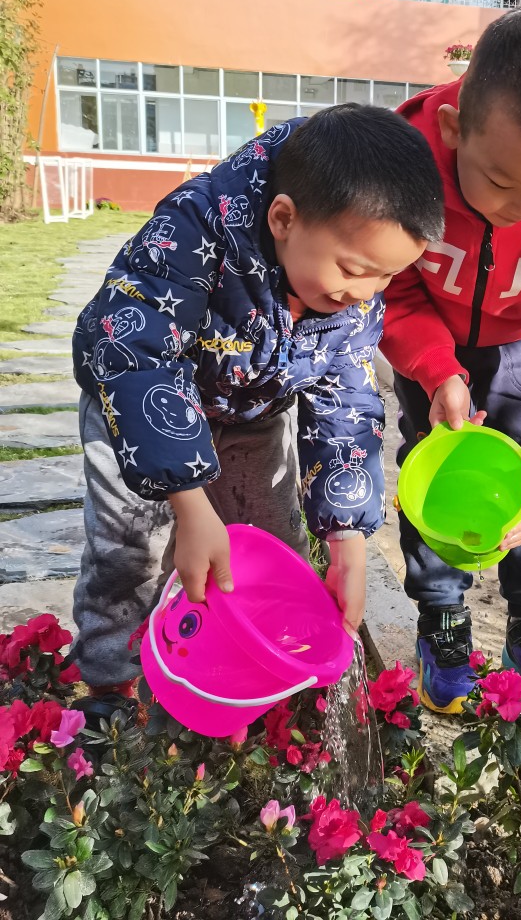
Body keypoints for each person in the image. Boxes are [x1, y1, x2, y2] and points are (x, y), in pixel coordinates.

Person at [70, 104, 443, 716]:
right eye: (354, 271)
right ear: (284, 219)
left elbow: (346, 403)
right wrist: (190, 505)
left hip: (251, 410)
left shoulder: (350, 292)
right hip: (136, 410)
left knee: (270, 549)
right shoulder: (193, 228)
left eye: (386, 278)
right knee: (131, 552)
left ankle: (249, 673)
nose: (364, 294)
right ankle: (113, 689)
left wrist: (347, 540)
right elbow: (137, 355)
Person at [382, 6, 521, 713]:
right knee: (436, 470)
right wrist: (437, 369)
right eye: (504, 183)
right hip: (428, 342)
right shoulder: (403, 166)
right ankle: (442, 621)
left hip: (520, 345)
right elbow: (390, 286)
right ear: (456, 130)